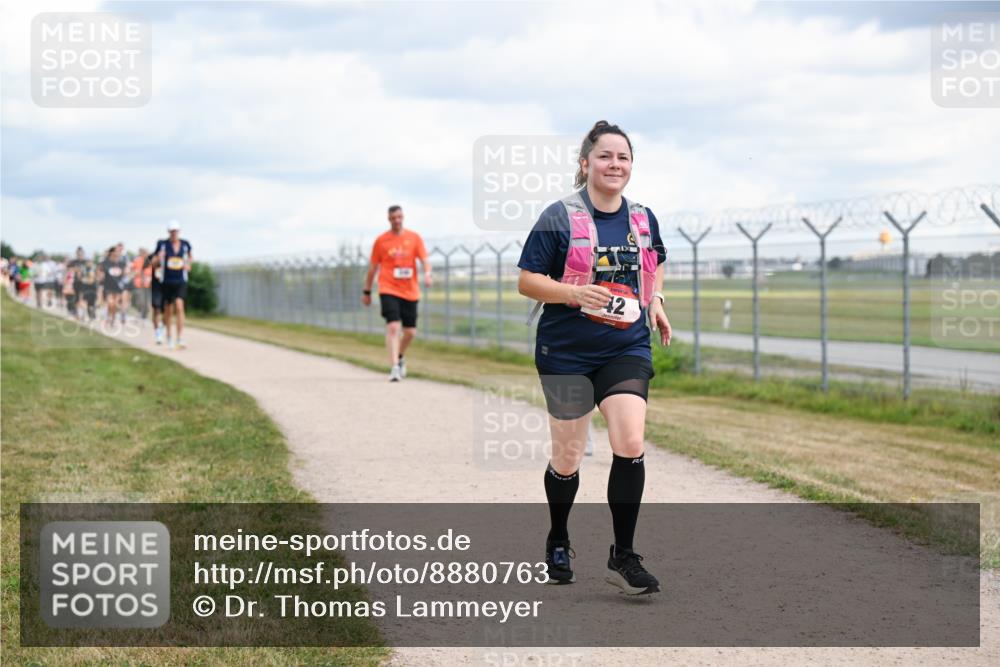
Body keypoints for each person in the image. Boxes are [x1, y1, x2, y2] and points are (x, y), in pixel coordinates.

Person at [517, 121, 671, 595]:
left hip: (625, 346)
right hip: (565, 352)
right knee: (567, 457)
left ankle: (623, 555)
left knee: (630, 440)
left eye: (623, 158)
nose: (615, 165)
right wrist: (571, 293)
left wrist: (657, 300)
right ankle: (559, 538)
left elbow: (655, 261)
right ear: (585, 164)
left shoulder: (642, 218)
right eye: (605, 157)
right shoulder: (558, 217)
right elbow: (527, 280)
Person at [362, 205, 432, 381]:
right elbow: (372, 268)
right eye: (393, 218)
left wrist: (428, 274)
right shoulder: (381, 241)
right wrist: (367, 290)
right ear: (389, 219)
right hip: (388, 288)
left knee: (410, 332)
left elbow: (424, 260)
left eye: (399, 217)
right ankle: (394, 367)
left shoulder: (414, 238)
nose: (397, 220)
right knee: (393, 327)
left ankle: (399, 356)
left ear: (403, 217)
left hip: (410, 290)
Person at [154, 220, 192, 349]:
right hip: (167, 281)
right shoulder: (163, 245)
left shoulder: (185, 245)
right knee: (168, 310)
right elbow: (154, 263)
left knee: (180, 307)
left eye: (176, 231)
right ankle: (169, 336)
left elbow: (190, 257)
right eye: (171, 231)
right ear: (168, 232)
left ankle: (180, 337)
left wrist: (188, 264)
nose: (174, 233)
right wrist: (159, 258)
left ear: (179, 231)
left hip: (181, 280)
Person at [98, 245, 127, 325]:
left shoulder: (122, 263)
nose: (118, 253)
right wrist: (101, 276)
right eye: (116, 251)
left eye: (118, 251)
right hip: (108, 286)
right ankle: (109, 316)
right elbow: (100, 273)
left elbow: (125, 274)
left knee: (116, 304)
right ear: (111, 253)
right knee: (111, 303)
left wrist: (127, 275)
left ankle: (112, 318)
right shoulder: (105, 263)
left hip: (118, 287)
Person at [131, 247, 152, 320]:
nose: (144, 254)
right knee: (140, 301)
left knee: (147, 303)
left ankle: (144, 316)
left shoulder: (150, 261)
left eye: (145, 253)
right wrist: (137, 273)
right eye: (142, 253)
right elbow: (132, 271)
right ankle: (140, 312)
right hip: (138, 284)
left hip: (148, 285)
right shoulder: (137, 261)